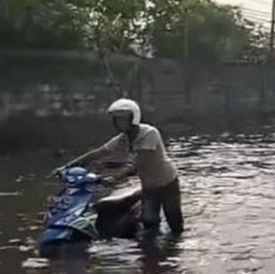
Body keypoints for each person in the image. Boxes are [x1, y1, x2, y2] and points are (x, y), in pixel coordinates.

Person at [53, 98, 184, 235]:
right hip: (149, 186)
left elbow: (138, 163)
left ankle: (175, 252)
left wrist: (115, 177)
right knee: (150, 223)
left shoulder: (149, 133)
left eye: (123, 119)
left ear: (133, 118)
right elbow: (99, 152)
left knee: (175, 223)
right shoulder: (123, 138)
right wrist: (68, 166)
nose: (120, 122)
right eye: (117, 119)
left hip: (167, 183)